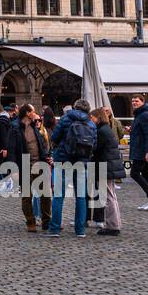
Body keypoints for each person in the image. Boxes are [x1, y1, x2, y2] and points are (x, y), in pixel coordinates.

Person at [48, 99, 95, 238]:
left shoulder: (65, 119)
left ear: (75, 107)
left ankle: (55, 229)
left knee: (58, 196)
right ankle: (80, 230)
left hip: (63, 160)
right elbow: (94, 144)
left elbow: (54, 137)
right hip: (82, 163)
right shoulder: (91, 123)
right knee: (80, 197)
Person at [7, 104, 51, 232]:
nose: (35, 113)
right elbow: (11, 150)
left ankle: (46, 221)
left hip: (39, 163)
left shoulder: (34, 126)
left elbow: (41, 144)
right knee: (27, 196)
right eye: (33, 111)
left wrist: (46, 156)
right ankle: (30, 221)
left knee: (46, 194)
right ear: (27, 113)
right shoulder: (15, 128)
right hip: (24, 164)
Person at [91, 106, 124, 235]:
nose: (91, 120)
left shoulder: (102, 131)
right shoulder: (106, 129)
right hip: (109, 165)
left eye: (92, 118)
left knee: (108, 196)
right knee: (111, 195)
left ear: (98, 117)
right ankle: (115, 223)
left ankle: (112, 225)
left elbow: (96, 148)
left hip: (105, 165)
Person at [128, 95, 148, 210]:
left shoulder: (144, 115)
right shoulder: (139, 114)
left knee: (134, 173)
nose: (134, 103)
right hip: (140, 148)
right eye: (132, 101)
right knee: (146, 174)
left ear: (142, 102)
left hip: (142, 150)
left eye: (136, 101)